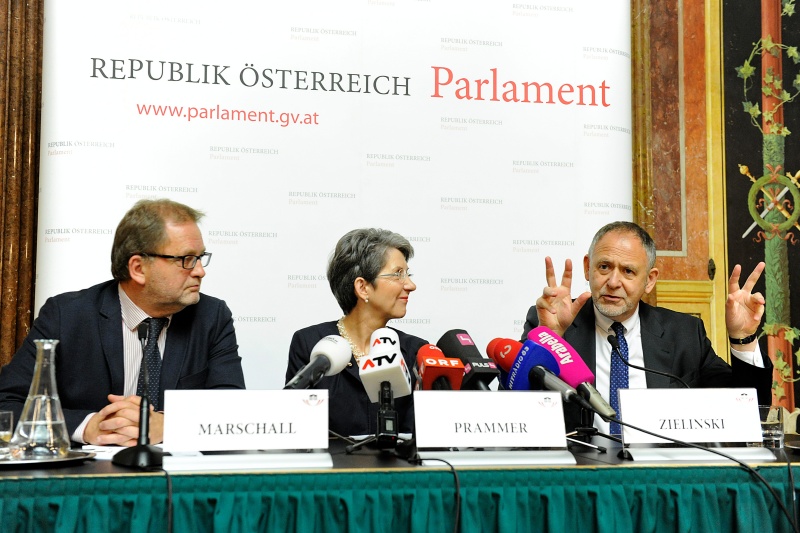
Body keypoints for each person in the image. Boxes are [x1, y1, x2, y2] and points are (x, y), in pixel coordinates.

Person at [0, 199, 245, 446]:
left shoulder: (211, 316)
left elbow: (232, 408)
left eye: (201, 257)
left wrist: (170, 424)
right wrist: (87, 426)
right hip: (89, 476)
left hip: (178, 477)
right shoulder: (67, 315)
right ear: (138, 268)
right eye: (187, 259)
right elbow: (6, 405)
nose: (200, 271)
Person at [522, 221, 771, 434]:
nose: (613, 282)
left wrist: (743, 338)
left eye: (628, 271)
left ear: (649, 280)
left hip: (661, 474)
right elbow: (519, 413)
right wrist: (550, 338)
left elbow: (747, 410)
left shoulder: (684, 333)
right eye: (604, 267)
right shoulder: (552, 323)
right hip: (581, 473)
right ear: (588, 267)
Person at [286, 228, 427, 437]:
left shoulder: (416, 351)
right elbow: (298, 428)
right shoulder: (310, 344)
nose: (411, 285)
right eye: (398, 274)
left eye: (408, 274)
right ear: (363, 287)